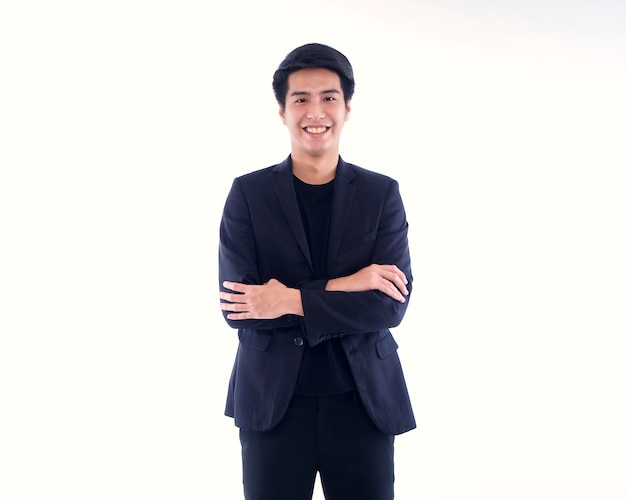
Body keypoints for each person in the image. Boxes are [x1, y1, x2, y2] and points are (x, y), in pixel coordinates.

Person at [218, 42, 416, 500]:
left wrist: (286, 298)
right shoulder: (248, 194)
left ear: (347, 108)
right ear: (282, 112)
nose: (316, 111)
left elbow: (388, 306)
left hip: (362, 402)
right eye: (300, 99)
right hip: (273, 403)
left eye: (329, 98)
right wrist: (345, 285)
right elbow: (240, 307)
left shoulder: (380, 193)